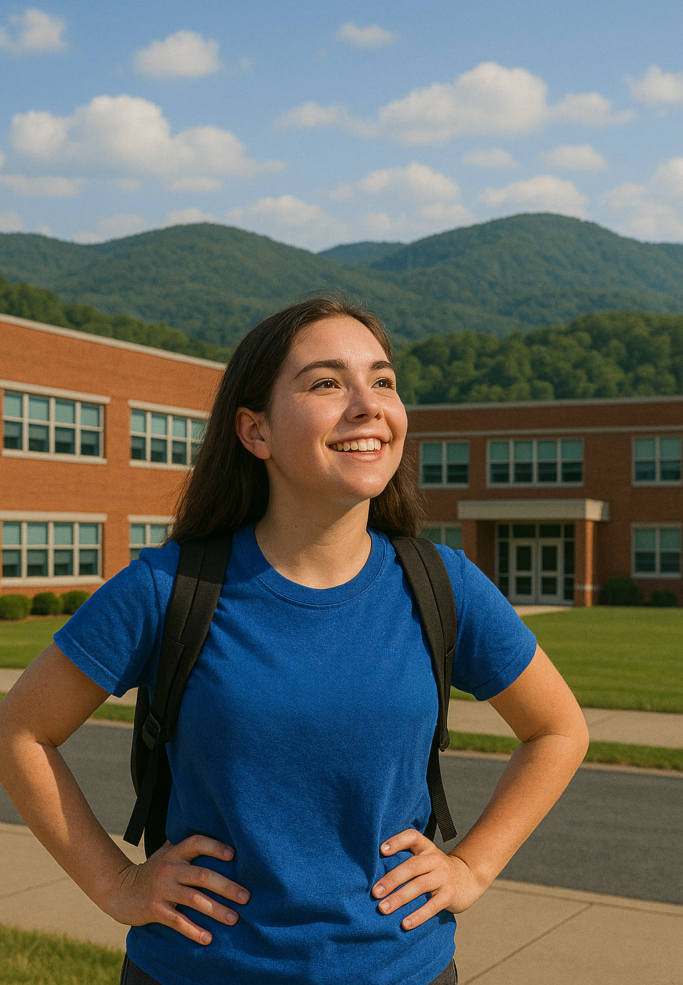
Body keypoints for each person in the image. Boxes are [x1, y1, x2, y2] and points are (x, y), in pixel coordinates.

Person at [0, 295, 589, 985]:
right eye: (326, 382)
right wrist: (116, 884)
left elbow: (557, 730)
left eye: (382, 380)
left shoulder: (443, 585)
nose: (367, 404)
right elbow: (22, 732)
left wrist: (471, 865)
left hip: (402, 969)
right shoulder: (167, 587)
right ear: (255, 431)